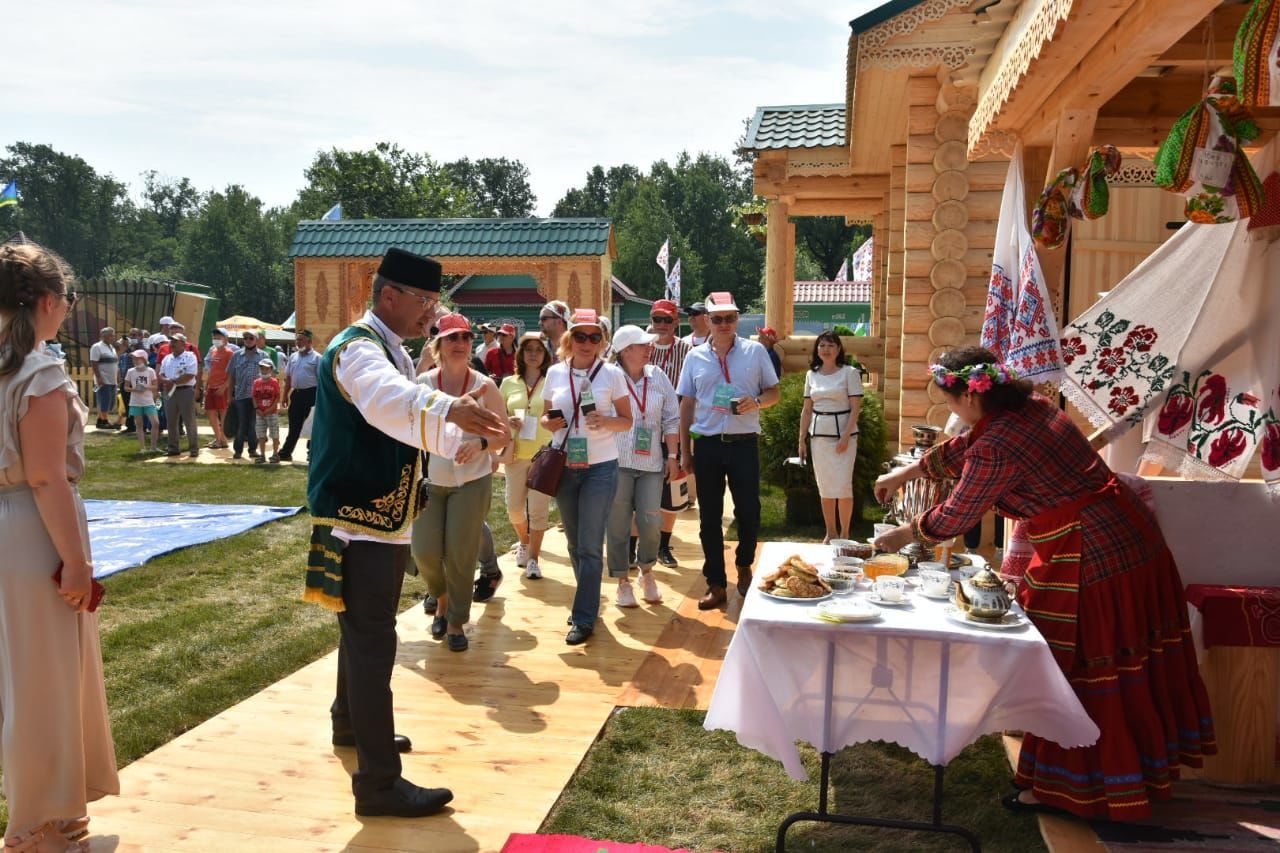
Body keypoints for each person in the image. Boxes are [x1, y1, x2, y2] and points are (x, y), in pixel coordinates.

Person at [872, 346, 1215, 822]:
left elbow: (959, 513)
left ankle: (1080, 792)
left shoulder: (998, 445)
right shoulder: (1028, 410)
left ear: (970, 398)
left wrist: (901, 535)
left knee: (1082, 666)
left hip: (1092, 554)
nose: (953, 413)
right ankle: (1134, 776)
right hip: (1130, 537)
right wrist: (909, 470)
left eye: (951, 402)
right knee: (1130, 658)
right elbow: (965, 445)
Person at [305, 247, 507, 817]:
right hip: (359, 517)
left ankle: (351, 723)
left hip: (375, 515)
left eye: (435, 303)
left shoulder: (385, 349)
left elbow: (401, 424)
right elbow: (388, 402)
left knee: (362, 634)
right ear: (388, 295)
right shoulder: (358, 350)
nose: (432, 315)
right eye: (424, 301)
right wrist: (450, 410)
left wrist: (465, 442)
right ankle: (378, 784)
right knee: (372, 641)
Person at [0, 242, 119, 851]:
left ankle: (54, 809)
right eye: (67, 299)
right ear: (47, 302)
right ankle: (39, 823)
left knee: (23, 673)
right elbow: (45, 475)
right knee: (43, 676)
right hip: (31, 529)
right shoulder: (38, 371)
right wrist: (75, 561)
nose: (68, 309)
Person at [412, 313, 509, 651]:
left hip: (473, 481)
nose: (460, 344)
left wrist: (480, 443)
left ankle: (455, 620)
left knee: (461, 553)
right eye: (452, 338)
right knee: (423, 551)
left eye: (466, 338)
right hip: (430, 481)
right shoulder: (422, 385)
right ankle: (440, 597)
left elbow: (504, 434)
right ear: (438, 345)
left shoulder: (485, 385)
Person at [677, 291, 779, 610]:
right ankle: (716, 583)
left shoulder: (755, 352)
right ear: (707, 320)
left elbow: (774, 391)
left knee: (749, 511)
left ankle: (745, 563)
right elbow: (687, 404)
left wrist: (758, 401)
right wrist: (684, 451)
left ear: (738, 319)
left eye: (730, 318)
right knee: (709, 518)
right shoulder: (694, 356)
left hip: (744, 442)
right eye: (717, 318)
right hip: (707, 444)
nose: (724, 324)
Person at [541, 309, 633, 645]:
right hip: (565, 466)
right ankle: (590, 602)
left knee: (591, 546)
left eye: (594, 337)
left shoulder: (612, 375)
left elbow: (627, 420)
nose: (587, 343)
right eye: (580, 336)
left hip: (601, 467)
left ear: (602, 342)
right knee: (575, 543)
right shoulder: (554, 374)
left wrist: (606, 422)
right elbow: (546, 418)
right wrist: (548, 424)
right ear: (569, 339)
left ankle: (583, 617)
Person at [606, 325, 679, 608]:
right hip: (616, 461)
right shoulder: (609, 377)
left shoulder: (657, 376)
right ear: (626, 351)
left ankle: (646, 572)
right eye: (643, 344)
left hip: (651, 462)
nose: (650, 347)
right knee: (618, 524)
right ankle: (622, 581)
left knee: (651, 521)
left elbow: (672, 418)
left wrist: (673, 455)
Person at [497, 331, 554, 580]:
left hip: (544, 455)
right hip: (516, 454)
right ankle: (525, 540)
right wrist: (508, 422)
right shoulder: (509, 383)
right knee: (514, 509)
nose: (533, 354)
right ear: (521, 354)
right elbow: (498, 418)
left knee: (539, 510)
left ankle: (533, 559)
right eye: (528, 349)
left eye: (538, 350)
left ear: (545, 354)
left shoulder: (552, 381)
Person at [798, 331, 863, 543]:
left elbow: (855, 408)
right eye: (822, 345)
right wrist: (801, 440)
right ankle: (830, 532)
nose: (826, 349)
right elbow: (807, 410)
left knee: (843, 485)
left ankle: (844, 534)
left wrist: (845, 436)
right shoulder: (812, 375)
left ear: (838, 349)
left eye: (830, 345)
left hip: (844, 436)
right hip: (819, 438)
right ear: (817, 349)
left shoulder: (850, 373)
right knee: (825, 485)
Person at [646, 298, 691, 566]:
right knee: (639, 484)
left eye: (667, 319)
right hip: (644, 429)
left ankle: (664, 545)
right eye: (657, 319)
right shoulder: (640, 347)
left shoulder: (687, 350)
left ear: (676, 322)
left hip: (674, 429)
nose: (661, 325)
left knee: (673, 489)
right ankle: (637, 544)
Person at [280, 329, 320, 462]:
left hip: (312, 394)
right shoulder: (293, 357)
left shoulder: (317, 358)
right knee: (294, 425)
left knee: (312, 425)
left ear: (309, 341)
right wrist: (285, 395)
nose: (298, 342)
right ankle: (286, 452)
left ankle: (311, 452)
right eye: (297, 339)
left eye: (301, 339)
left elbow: (321, 381)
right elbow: (289, 378)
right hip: (296, 394)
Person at [159, 333, 199, 458]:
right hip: (169, 392)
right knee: (171, 421)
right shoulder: (167, 358)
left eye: (175, 341)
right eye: (171, 341)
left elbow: (190, 374)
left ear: (183, 343)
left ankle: (193, 448)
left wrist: (173, 382)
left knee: (189, 421)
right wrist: (166, 381)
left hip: (185, 391)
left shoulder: (190, 357)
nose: (172, 344)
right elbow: (160, 374)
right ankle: (173, 448)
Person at [227, 330, 264, 460]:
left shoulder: (264, 356)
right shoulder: (236, 355)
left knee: (254, 424)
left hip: (258, 397)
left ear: (256, 340)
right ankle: (238, 451)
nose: (248, 340)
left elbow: (271, 375)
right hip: (240, 396)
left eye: (251, 338)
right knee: (241, 424)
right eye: (245, 338)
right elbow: (231, 376)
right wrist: (229, 395)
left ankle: (253, 450)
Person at [203, 328, 236, 449]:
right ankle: (220, 439)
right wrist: (207, 386)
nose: (216, 340)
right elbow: (212, 370)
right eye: (214, 337)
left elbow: (232, 372)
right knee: (210, 412)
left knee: (223, 415)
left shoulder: (229, 353)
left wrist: (225, 386)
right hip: (211, 386)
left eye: (219, 337)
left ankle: (222, 439)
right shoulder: (213, 351)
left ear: (226, 339)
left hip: (222, 388)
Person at [124, 349, 161, 453]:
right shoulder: (130, 371)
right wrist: (135, 389)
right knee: (139, 425)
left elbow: (155, 386)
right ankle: (142, 448)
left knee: (155, 423)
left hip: (148, 401)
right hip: (135, 402)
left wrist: (146, 387)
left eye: (137, 358)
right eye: (134, 358)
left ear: (144, 359)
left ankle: (153, 447)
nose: (134, 360)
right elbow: (126, 387)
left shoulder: (150, 371)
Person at [89, 326, 120, 430]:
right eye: (111, 335)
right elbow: (94, 363)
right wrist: (99, 377)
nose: (113, 337)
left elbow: (115, 363)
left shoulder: (112, 348)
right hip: (103, 379)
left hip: (112, 379)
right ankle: (104, 421)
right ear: (104, 336)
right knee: (104, 400)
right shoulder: (97, 347)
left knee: (111, 401)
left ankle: (100, 420)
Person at [252, 359, 282, 463]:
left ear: (271, 369)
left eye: (266, 368)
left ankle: (275, 454)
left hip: (272, 413)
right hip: (259, 413)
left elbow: (277, 397)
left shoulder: (274, 382)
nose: (264, 370)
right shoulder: (256, 382)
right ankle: (262, 454)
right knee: (261, 434)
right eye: (262, 368)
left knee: (274, 433)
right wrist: (257, 408)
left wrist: (270, 409)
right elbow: (254, 397)